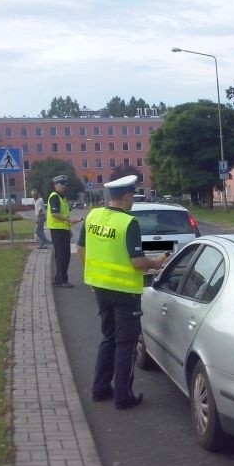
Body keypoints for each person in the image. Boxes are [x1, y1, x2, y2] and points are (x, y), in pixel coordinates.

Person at [77, 175, 169, 410]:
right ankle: (123, 396)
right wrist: (156, 263)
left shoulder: (93, 216)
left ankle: (100, 389)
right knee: (125, 344)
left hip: (100, 288)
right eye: (133, 197)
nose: (133, 203)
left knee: (108, 338)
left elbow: (81, 249)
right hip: (125, 293)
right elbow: (138, 262)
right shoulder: (129, 223)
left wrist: (92, 277)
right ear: (127, 196)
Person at [47, 175, 83, 288]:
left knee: (63, 255)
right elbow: (55, 214)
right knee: (63, 255)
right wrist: (69, 220)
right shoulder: (55, 197)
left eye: (64, 184)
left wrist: (69, 227)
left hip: (62, 230)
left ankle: (58, 279)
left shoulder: (61, 197)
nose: (63, 186)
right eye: (61, 184)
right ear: (55, 185)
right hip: (57, 230)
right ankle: (62, 280)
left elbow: (63, 215)